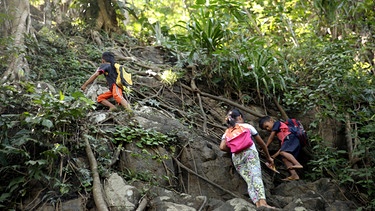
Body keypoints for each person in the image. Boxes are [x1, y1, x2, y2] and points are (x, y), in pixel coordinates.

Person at [219, 109, 275, 209]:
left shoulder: (227, 132)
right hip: (249, 153)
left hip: (236, 157)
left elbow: (222, 147)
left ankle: (257, 205)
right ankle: (263, 204)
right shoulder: (247, 126)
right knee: (256, 176)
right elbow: (262, 144)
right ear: (240, 117)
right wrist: (268, 158)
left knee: (249, 181)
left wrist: (235, 148)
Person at [258, 116, 303, 181]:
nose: (267, 129)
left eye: (267, 126)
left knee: (283, 152)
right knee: (284, 158)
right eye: (265, 129)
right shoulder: (281, 134)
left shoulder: (277, 123)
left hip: (291, 137)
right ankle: (294, 175)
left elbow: (271, 137)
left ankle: (297, 164)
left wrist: (265, 146)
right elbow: (281, 148)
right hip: (292, 140)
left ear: (271, 120)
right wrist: (273, 157)